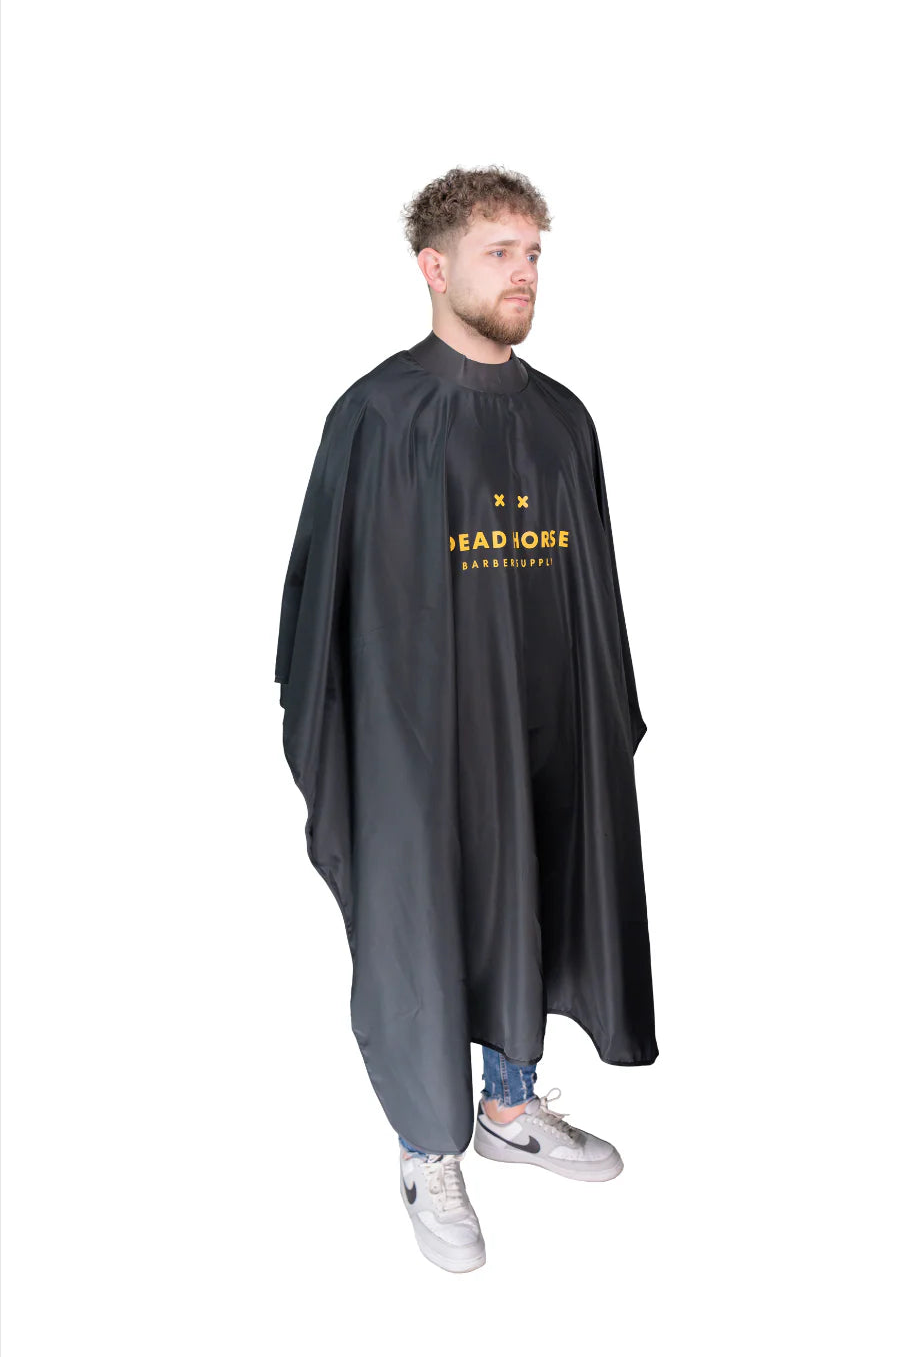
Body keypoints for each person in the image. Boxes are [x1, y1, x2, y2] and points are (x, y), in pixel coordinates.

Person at [275, 166, 657, 1274]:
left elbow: (591, 594)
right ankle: (425, 1146)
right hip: (419, 744)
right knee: (427, 923)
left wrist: (598, 722)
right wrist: (367, 749)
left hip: (542, 727)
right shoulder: (380, 414)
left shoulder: (562, 419)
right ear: (434, 268)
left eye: (534, 253)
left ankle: (510, 1107)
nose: (525, 272)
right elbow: (326, 599)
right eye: (501, 252)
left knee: (532, 897)